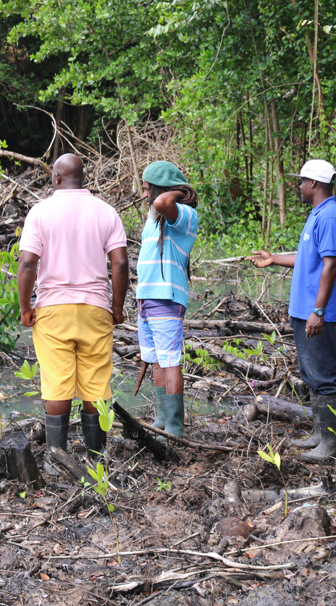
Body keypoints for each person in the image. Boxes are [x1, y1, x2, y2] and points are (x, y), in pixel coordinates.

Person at [17, 154, 129, 461]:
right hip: (95, 308)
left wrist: (25, 309)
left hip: (52, 309)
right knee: (96, 385)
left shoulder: (40, 212)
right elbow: (119, 264)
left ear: (55, 178)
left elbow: (28, 263)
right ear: (84, 179)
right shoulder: (106, 212)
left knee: (57, 385)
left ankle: (58, 460)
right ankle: (96, 461)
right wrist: (116, 308)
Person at [250, 159, 336, 462]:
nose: (299, 186)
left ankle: (330, 444)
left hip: (320, 312)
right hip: (306, 310)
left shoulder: (330, 216)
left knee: (326, 375)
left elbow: (330, 265)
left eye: (303, 182)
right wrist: (274, 259)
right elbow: (310, 258)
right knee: (312, 373)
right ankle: (320, 434)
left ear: (315, 184)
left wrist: (318, 310)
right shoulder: (317, 215)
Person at [135, 161, 199, 438]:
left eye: (149, 189)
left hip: (166, 298)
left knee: (170, 360)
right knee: (157, 360)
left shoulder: (183, 214)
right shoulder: (154, 220)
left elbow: (163, 203)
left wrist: (181, 193)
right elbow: (158, 204)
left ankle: (175, 426)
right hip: (147, 297)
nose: (146, 195)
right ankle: (162, 418)